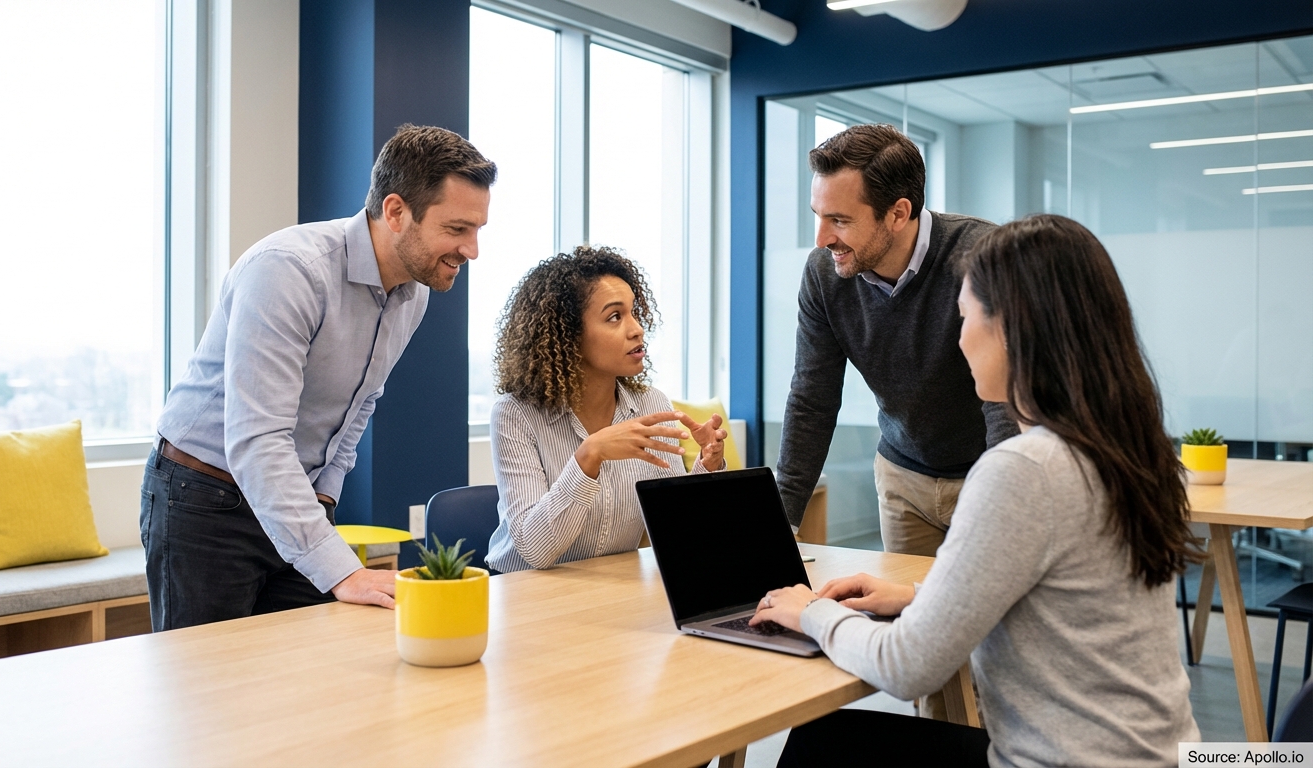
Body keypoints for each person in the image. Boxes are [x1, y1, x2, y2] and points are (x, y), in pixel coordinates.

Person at [753, 215, 1203, 767]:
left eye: (965, 318)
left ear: (1011, 330)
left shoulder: (1024, 469)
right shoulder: (1123, 448)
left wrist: (810, 614)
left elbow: (906, 667)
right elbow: (1063, 603)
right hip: (1161, 753)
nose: (959, 339)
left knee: (819, 742)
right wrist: (922, 599)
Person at [140, 125, 496, 631]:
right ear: (396, 212)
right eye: (457, 229)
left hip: (297, 496)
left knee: (304, 680)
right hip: (204, 498)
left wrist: (325, 496)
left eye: (478, 229)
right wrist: (341, 570)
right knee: (209, 694)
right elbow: (257, 438)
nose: (473, 249)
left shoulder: (411, 294)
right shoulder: (289, 270)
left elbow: (359, 405)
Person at [777, 123, 1019, 559]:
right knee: (904, 616)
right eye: (819, 216)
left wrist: (1001, 495)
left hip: (988, 471)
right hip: (902, 475)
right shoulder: (824, 273)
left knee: (985, 618)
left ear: (898, 213)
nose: (821, 238)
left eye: (840, 220)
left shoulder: (984, 256)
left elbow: (1005, 394)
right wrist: (783, 519)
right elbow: (812, 397)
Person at [485, 246, 727, 573]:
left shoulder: (651, 403)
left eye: (633, 312)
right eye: (615, 317)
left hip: (607, 588)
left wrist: (706, 467)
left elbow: (676, 531)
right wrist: (590, 455)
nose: (636, 328)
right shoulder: (515, 414)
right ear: (568, 336)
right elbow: (536, 551)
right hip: (524, 591)